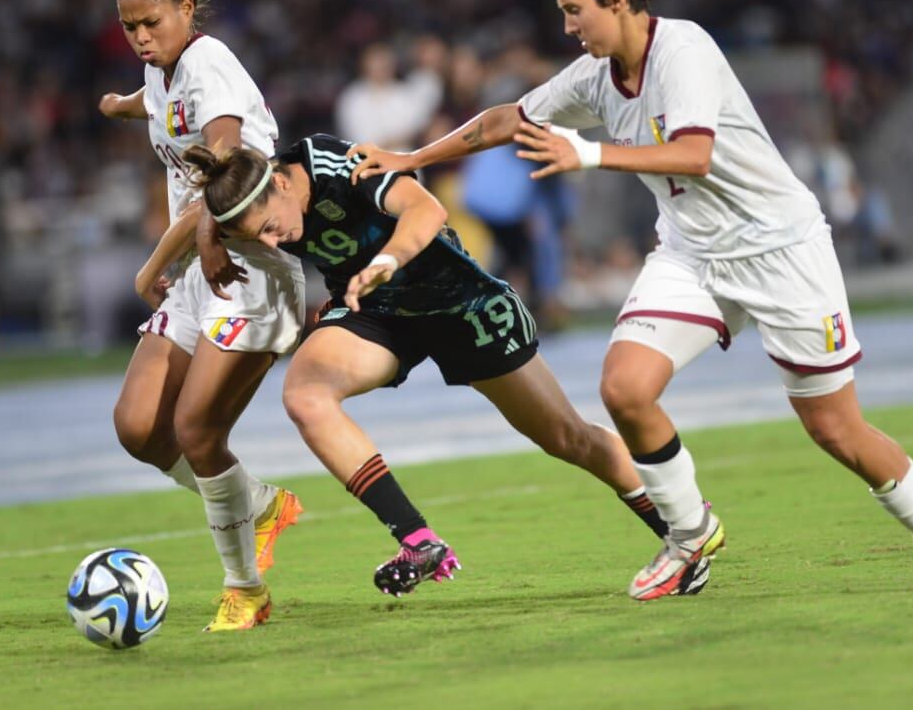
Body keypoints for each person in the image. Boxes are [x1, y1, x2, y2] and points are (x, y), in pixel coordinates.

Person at [350, 0, 913, 599]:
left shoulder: (686, 49)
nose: (566, 26)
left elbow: (693, 154)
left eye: (573, 9)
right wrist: (413, 159)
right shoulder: (596, 75)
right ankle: (689, 531)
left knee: (834, 428)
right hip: (693, 252)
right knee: (625, 388)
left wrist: (587, 154)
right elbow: (508, 119)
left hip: (782, 250)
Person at [181, 134, 685, 597]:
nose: (273, 243)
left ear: (284, 182)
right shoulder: (254, 197)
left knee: (568, 438)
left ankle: (682, 531)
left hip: (459, 303)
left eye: (270, 229)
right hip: (374, 311)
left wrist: (387, 261)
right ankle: (419, 541)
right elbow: (199, 216)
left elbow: (426, 209)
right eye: (258, 238)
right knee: (304, 395)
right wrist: (162, 266)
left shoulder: (340, 166)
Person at [96, 0, 304, 632]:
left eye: (150, 22)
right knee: (137, 426)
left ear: (187, 6)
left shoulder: (210, 62)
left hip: (249, 265)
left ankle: (245, 588)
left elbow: (221, 164)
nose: (140, 38)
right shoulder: (163, 70)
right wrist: (124, 105)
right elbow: (158, 106)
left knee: (194, 426)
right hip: (200, 266)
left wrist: (155, 262)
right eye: (128, 28)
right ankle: (262, 500)